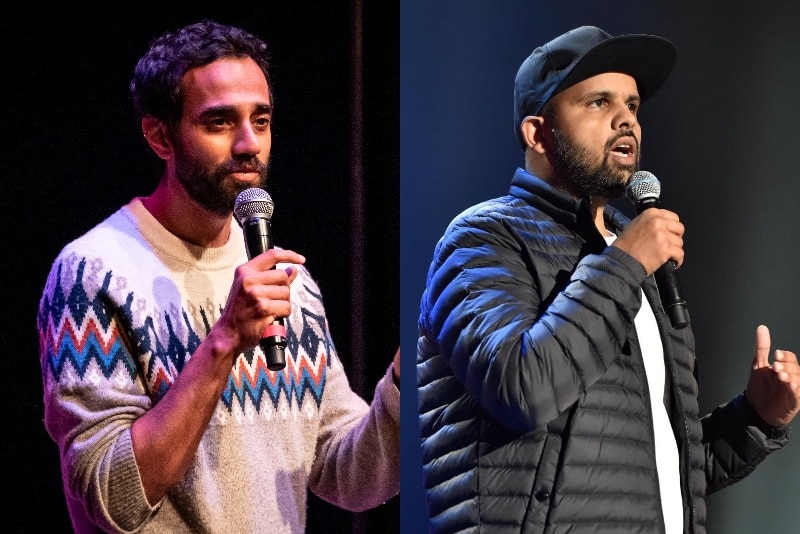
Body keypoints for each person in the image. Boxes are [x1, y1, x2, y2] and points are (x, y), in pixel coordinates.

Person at [416, 25, 800, 533]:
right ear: (538, 132)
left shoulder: (635, 257)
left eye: (633, 105)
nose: (626, 120)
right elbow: (521, 389)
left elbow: (658, 473)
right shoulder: (481, 239)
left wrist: (756, 417)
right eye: (598, 103)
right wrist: (623, 264)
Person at [36, 20, 400, 533]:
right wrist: (225, 338)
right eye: (220, 123)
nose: (250, 144)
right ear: (160, 136)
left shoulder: (284, 277)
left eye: (263, 119)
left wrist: (408, 384)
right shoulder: (93, 274)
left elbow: (351, 479)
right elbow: (112, 500)